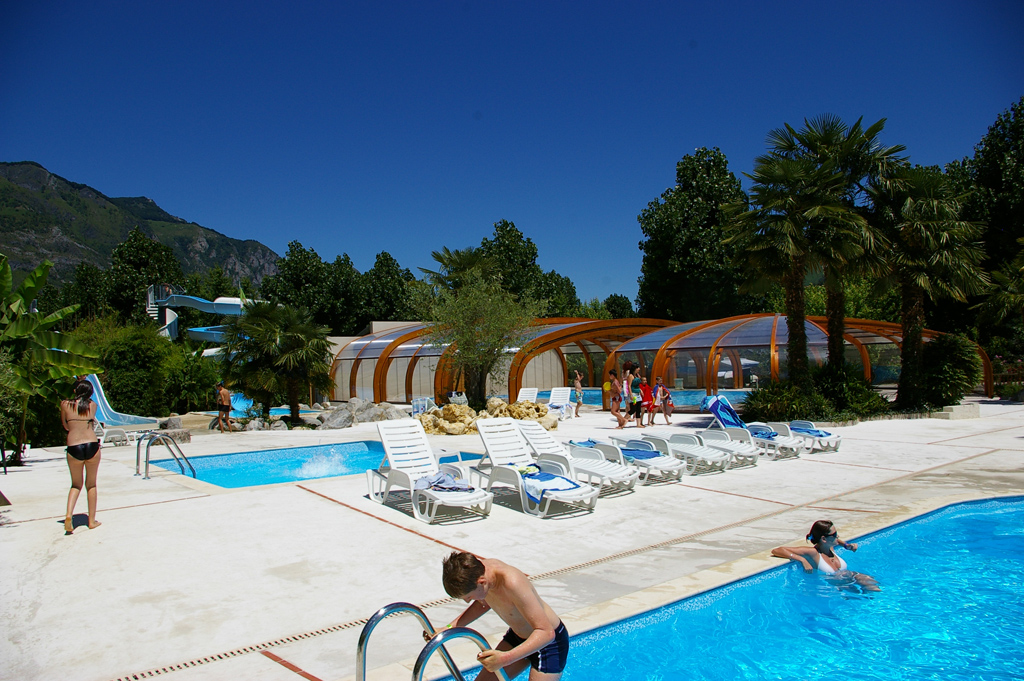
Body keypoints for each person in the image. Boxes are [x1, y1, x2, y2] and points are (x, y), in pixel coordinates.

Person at [429, 552, 569, 681]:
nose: (468, 601)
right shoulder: (479, 573)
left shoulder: (512, 583)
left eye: (469, 597)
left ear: (482, 582)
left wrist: (505, 658)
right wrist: (448, 628)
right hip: (518, 637)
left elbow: (546, 632)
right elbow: (483, 604)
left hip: (549, 643)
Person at [771, 520, 879, 591]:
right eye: (834, 535)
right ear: (823, 539)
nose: (838, 537)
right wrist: (802, 560)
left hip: (849, 579)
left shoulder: (830, 548)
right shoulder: (814, 553)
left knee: (873, 585)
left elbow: (836, 541)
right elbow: (777, 550)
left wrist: (847, 545)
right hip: (834, 589)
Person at [60, 380, 101, 533]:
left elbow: (65, 425)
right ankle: (91, 521)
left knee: (76, 485)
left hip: (74, 446)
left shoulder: (65, 404)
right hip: (91, 445)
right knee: (91, 485)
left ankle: (69, 515)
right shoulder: (93, 406)